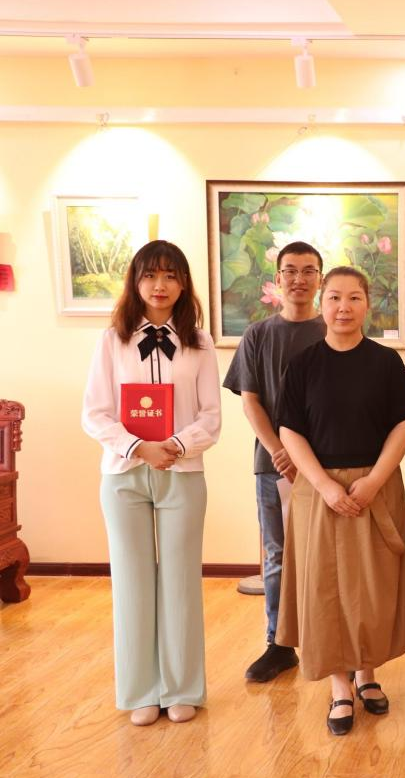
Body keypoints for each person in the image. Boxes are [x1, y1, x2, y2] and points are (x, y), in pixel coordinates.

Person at [275, 266, 405, 736]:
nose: (343, 307)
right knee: (326, 590)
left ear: (367, 305)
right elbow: (290, 430)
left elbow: (404, 423)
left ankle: (367, 674)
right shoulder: (303, 364)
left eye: (354, 297)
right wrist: (325, 485)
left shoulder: (385, 362)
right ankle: (340, 687)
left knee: (373, 587)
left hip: (375, 487)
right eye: (334, 297)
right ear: (322, 303)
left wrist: (375, 480)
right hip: (319, 491)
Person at [82, 240, 222, 726]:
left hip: (181, 473)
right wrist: (138, 448)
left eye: (170, 275)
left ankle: (181, 688)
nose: (159, 285)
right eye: (150, 275)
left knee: (180, 581)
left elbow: (210, 417)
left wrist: (175, 447)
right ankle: (140, 691)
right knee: (132, 582)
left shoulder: (200, 342)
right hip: (123, 476)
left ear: (183, 283)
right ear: (135, 281)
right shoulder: (111, 341)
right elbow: (94, 413)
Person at [222, 240, 326, 683]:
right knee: (277, 555)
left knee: (327, 555)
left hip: (327, 468)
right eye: (290, 271)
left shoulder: (333, 330)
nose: (299, 279)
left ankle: (329, 641)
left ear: (320, 278)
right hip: (273, 467)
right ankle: (279, 644)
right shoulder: (258, 335)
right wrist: (280, 451)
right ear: (278, 278)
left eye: (308, 270)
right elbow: (250, 400)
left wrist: (311, 459)